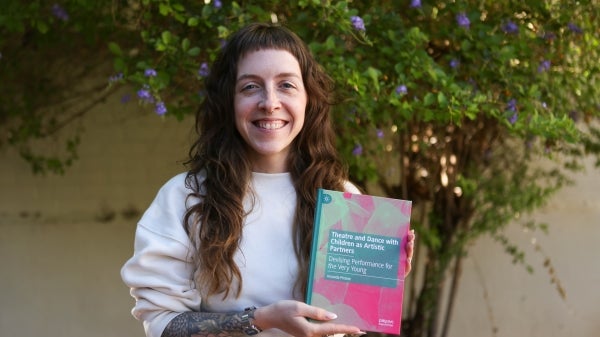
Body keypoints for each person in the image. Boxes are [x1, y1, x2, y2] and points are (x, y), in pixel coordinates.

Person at [121, 22, 415, 337]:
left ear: (308, 99)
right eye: (250, 86)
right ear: (228, 101)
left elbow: (346, 324)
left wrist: (380, 279)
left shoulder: (342, 198)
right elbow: (163, 325)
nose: (270, 102)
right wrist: (260, 320)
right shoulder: (185, 197)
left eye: (286, 85)